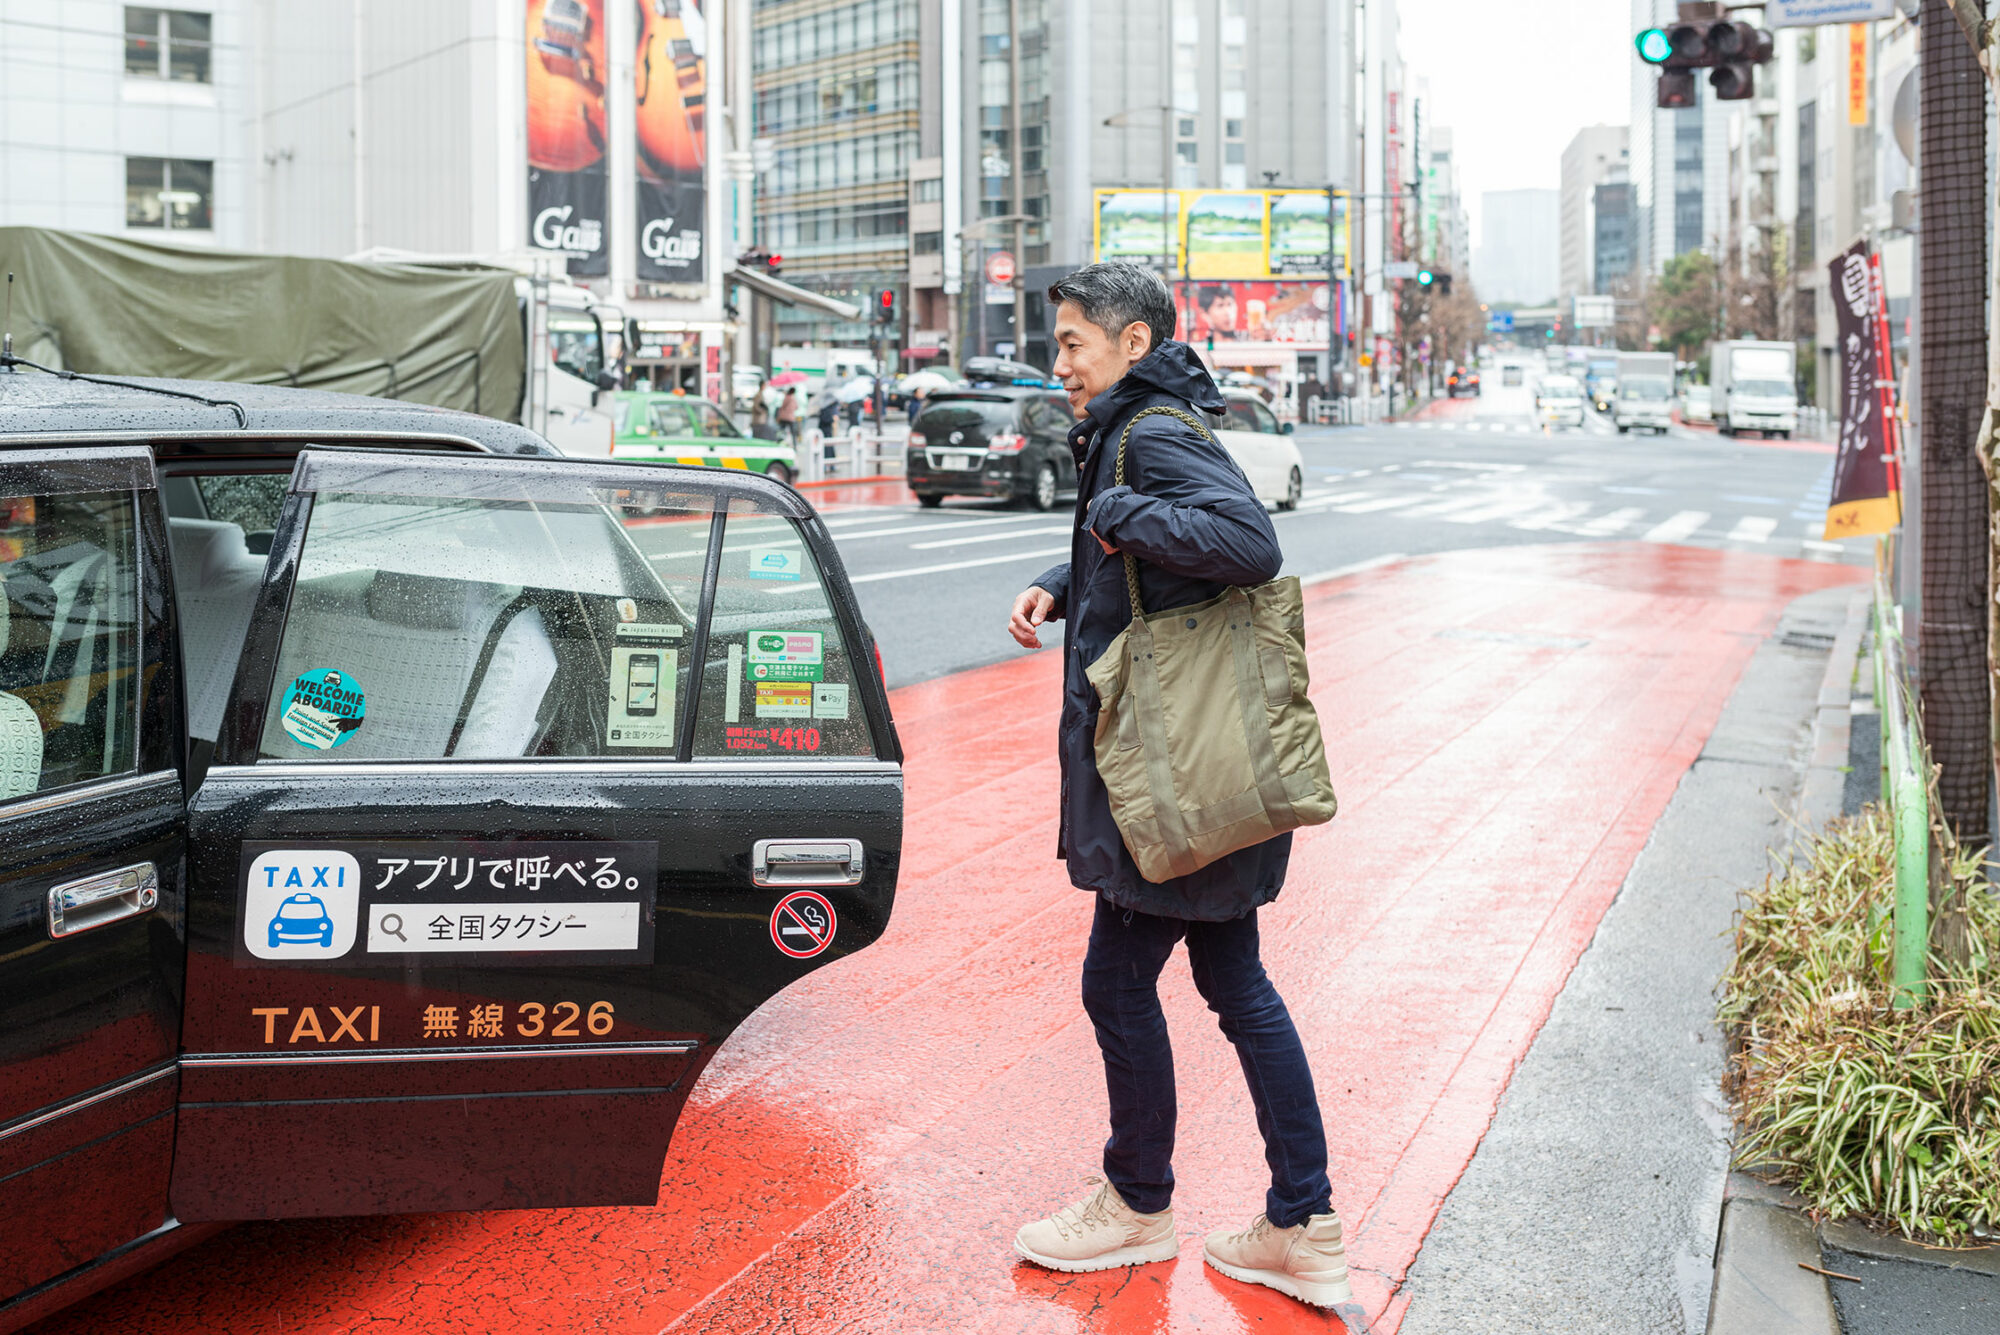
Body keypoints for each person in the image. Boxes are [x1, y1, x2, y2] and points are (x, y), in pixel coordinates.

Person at [1005, 262, 1348, 1309]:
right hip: (1211, 765)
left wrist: (1112, 509)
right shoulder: (1143, 426)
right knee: (1234, 985)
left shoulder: (1143, 434)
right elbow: (1158, 557)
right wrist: (1068, 578)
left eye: (1072, 342)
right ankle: (1301, 1221)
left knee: (1118, 985)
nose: (1057, 360)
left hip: (1179, 771)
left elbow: (1247, 545)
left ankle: (1137, 1200)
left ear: (1133, 343)